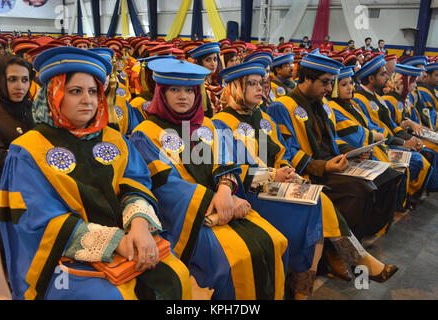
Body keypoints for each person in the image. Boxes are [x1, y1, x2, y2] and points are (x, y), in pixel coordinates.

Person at [0, 47, 191, 300]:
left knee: (176, 274)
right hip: (63, 258)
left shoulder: (115, 140)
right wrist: (115, 242)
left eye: (92, 91)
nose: (88, 100)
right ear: (55, 94)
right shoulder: (28, 150)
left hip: (130, 240)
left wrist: (140, 226)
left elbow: (134, 185)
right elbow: (38, 219)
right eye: (75, 91)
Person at [213, 60, 399, 298]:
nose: (260, 88)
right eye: (251, 84)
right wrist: (273, 176)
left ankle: (305, 289)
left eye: (261, 83)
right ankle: (355, 259)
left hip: (277, 185)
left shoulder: (262, 118)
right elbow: (229, 172)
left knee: (317, 203)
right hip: (248, 193)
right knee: (319, 204)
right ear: (235, 88)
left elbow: (282, 153)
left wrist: (288, 173)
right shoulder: (220, 123)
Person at [130, 58, 288, 299]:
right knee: (233, 260)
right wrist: (214, 200)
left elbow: (225, 162)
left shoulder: (208, 125)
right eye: (174, 90)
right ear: (161, 93)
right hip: (188, 218)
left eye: (189, 91)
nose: (183, 96)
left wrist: (226, 190)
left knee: (274, 240)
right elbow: (167, 187)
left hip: (224, 203)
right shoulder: (145, 134)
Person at [267, 52, 401, 242]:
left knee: (388, 176)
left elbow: (333, 139)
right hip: (311, 170)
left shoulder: (323, 104)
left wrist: (351, 152)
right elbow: (288, 150)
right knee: (362, 189)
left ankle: (369, 231)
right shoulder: (282, 106)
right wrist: (324, 167)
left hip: (334, 162)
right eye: (325, 82)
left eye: (331, 82)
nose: (330, 88)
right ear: (306, 79)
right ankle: (342, 248)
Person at [353, 55, 432, 207]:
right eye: (383, 74)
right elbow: (375, 128)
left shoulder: (378, 97)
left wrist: (407, 139)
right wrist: (403, 142)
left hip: (389, 140)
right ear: (371, 78)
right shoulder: (358, 99)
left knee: (423, 153)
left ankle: (407, 199)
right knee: (415, 161)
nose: (388, 77)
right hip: (378, 144)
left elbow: (391, 125)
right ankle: (399, 203)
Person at [0, 55, 34, 231]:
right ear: (0, 81)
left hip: (41, 195)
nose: (20, 86)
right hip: (6, 196)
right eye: (12, 79)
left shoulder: (36, 111)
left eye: (25, 80)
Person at [188, 42, 224, 116]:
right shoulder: (198, 86)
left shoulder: (217, 83)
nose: (213, 63)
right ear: (200, 64)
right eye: (208, 60)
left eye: (215, 59)